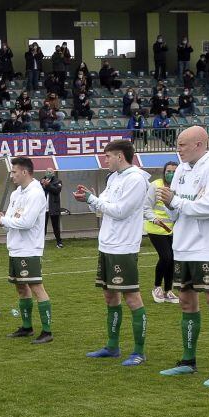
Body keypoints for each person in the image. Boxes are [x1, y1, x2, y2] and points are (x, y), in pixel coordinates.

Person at [157, 126, 209, 386]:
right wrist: (168, 204)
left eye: (182, 144)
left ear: (200, 144)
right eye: (178, 144)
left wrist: (177, 202)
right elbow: (177, 212)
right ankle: (188, 361)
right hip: (183, 247)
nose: (178, 149)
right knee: (186, 302)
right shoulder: (181, 170)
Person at [74, 139, 154, 366]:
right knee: (110, 295)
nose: (104, 160)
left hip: (124, 246)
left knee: (131, 296)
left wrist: (93, 199)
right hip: (107, 244)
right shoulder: (114, 178)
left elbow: (119, 212)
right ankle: (112, 346)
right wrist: (90, 199)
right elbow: (103, 207)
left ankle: (139, 351)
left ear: (120, 156)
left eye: (107, 156)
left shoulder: (137, 180)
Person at [0, 157, 53, 344]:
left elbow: (27, 223)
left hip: (29, 248)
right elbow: (13, 221)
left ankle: (47, 331)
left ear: (25, 172)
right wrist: (3, 218)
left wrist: (3, 220)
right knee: (21, 288)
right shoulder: (16, 194)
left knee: (36, 287)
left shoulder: (36, 193)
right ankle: (27, 327)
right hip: (15, 248)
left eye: (14, 172)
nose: (12, 175)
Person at [146, 162, 179, 304]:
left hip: (174, 230)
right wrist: (154, 219)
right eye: (168, 171)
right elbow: (145, 206)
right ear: (164, 172)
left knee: (172, 259)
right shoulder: (156, 185)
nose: (170, 174)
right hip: (156, 229)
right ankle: (157, 287)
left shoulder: (179, 186)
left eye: (174, 171)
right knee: (165, 257)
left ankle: (168, 290)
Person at [41, 170, 64, 248]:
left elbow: (57, 190)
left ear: (53, 173)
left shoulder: (58, 181)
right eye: (47, 171)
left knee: (55, 226)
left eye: (50, 172)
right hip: (43, 208)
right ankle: (41, 243)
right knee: (42, 226)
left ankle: (59, 242)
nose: (48, 173)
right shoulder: (42, 181)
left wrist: (48, 185)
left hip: (53, 207)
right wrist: (43, 184)